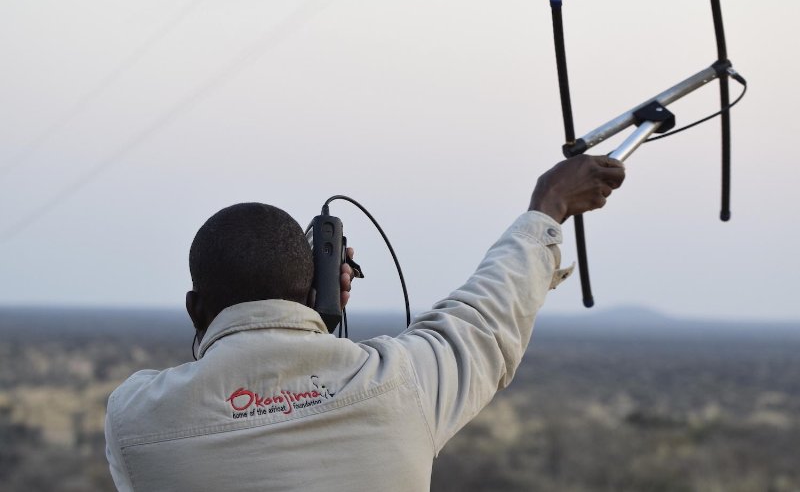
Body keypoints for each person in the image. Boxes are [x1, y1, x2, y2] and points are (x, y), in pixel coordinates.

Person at [105, 154, 625, 491]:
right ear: (318, 290)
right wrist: (548, 206)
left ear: (196, 309)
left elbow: (242, 393)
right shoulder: (401, 384)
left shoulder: (135, 419)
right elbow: (486, 316)